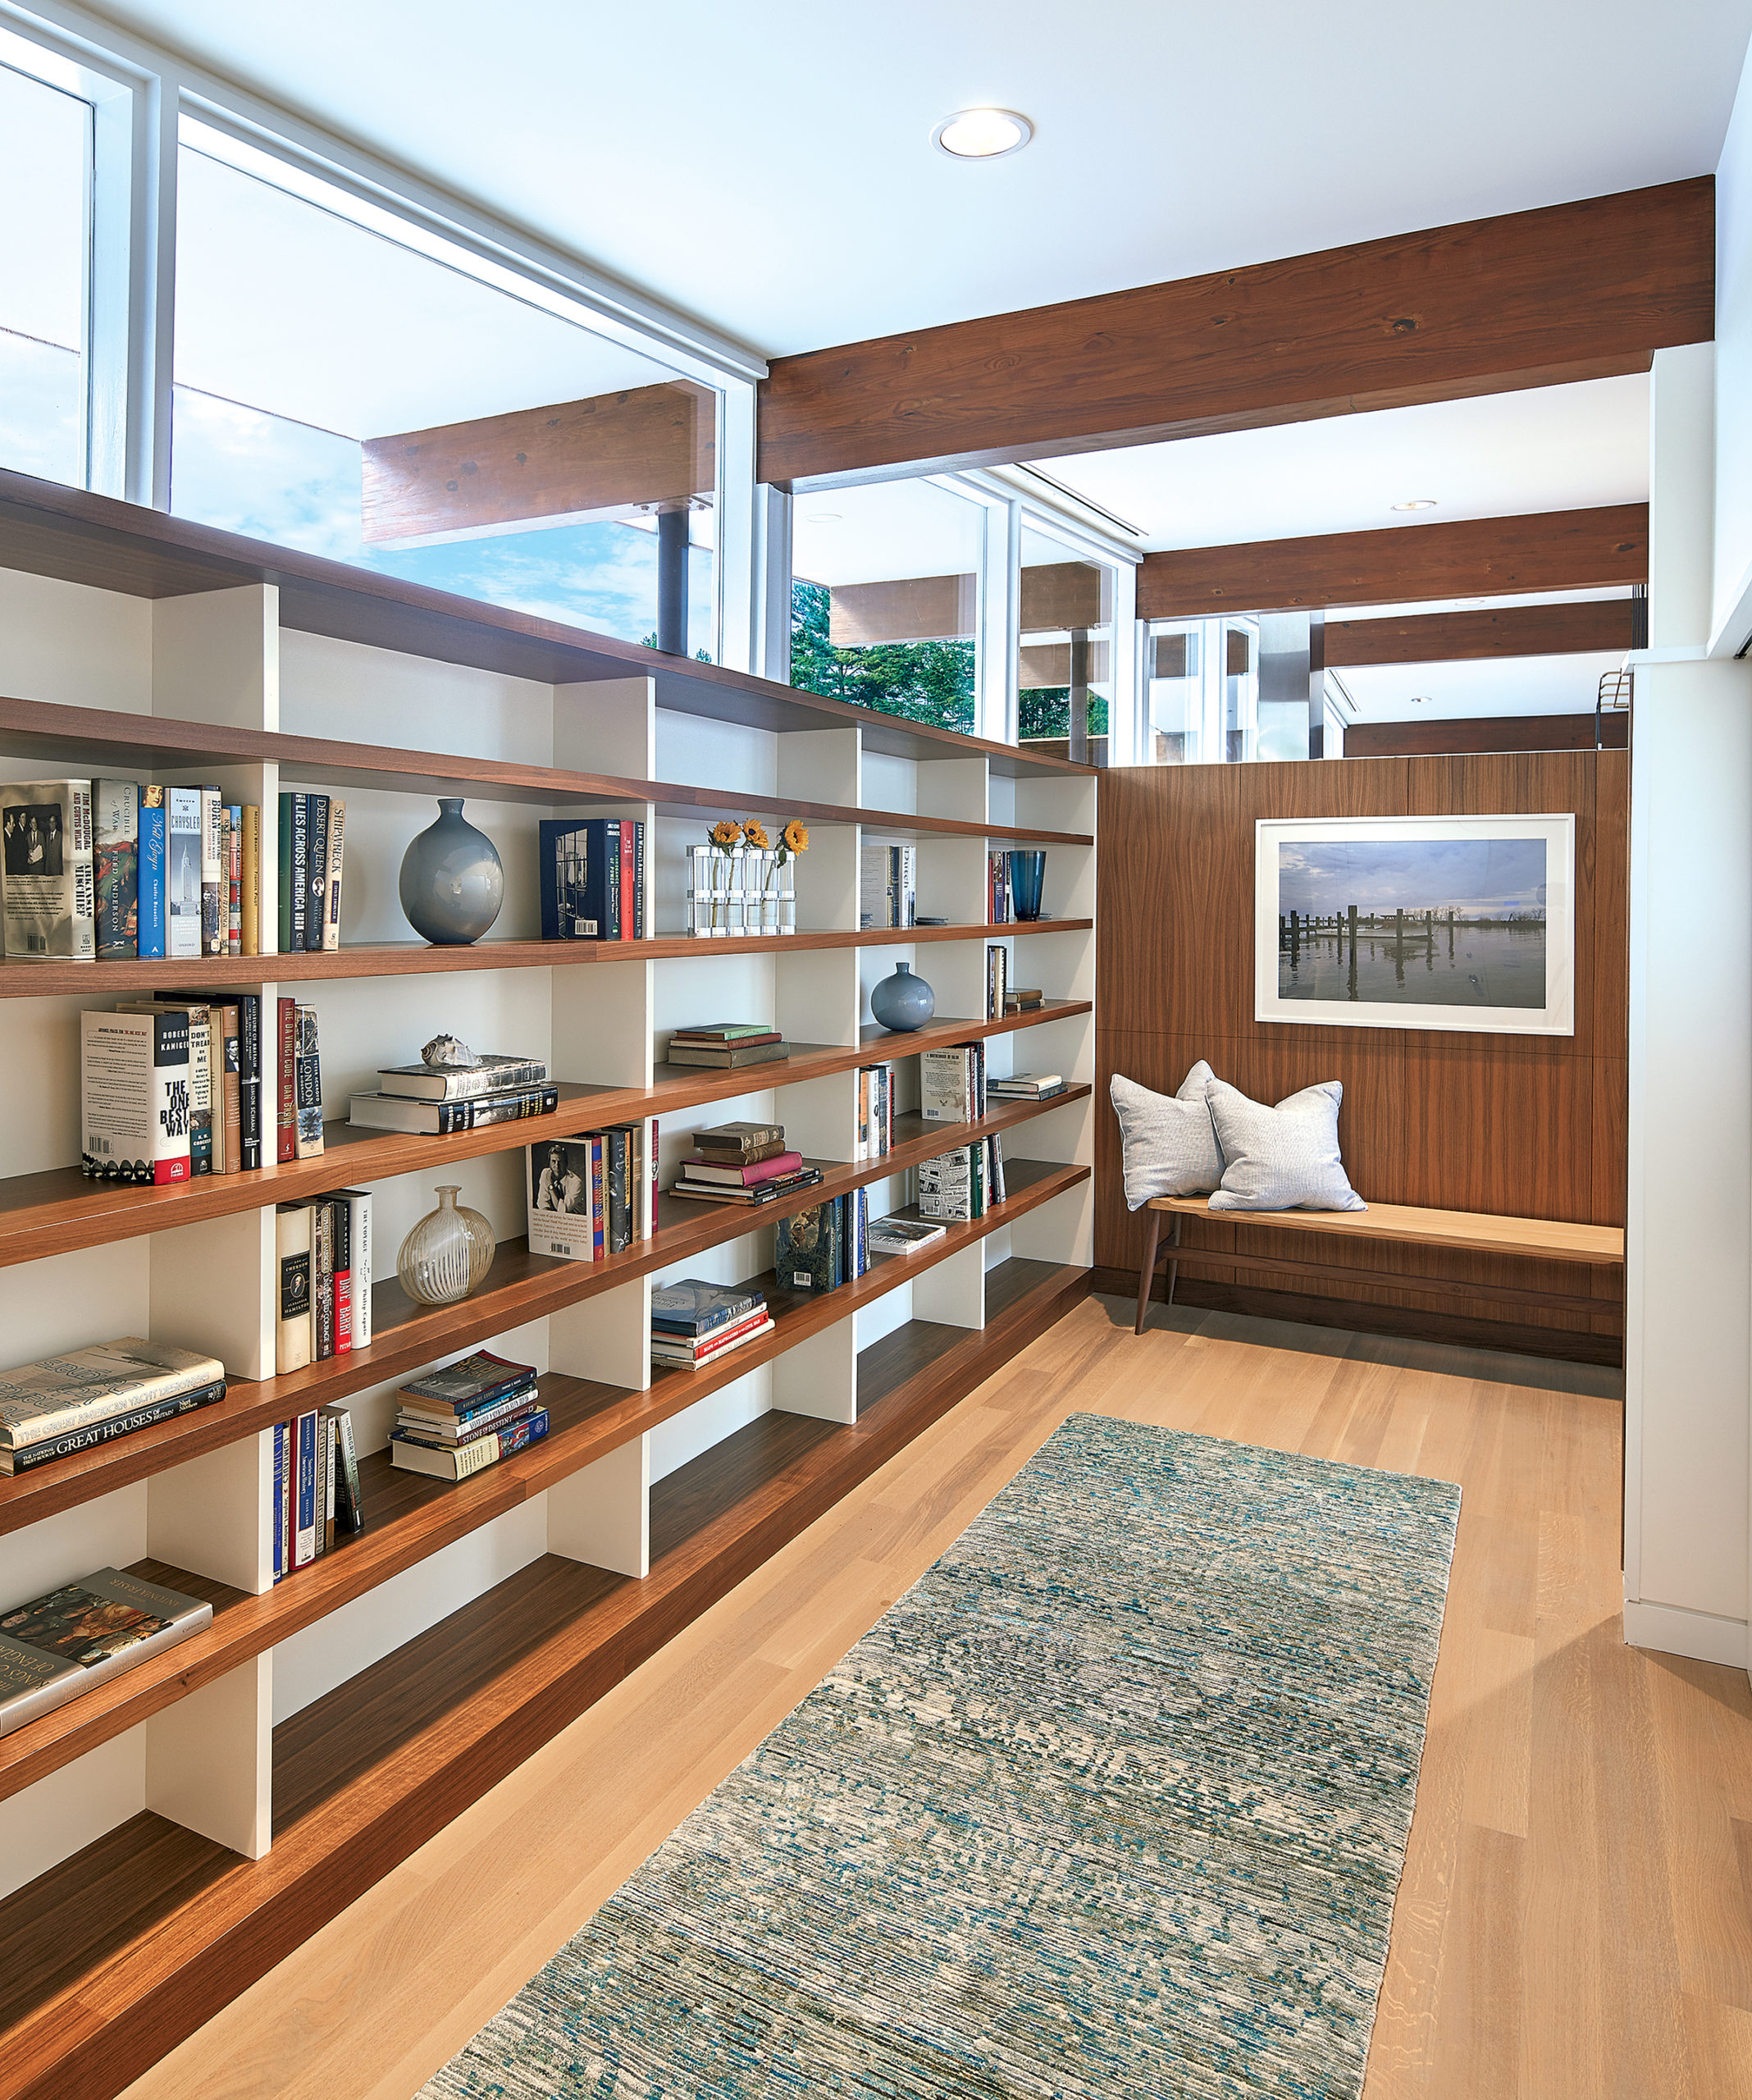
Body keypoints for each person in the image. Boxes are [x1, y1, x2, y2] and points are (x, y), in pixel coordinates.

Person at [534, 1143, 586, 1214]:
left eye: (560, 1162)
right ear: (549, 1163)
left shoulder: (576, 1182)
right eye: (553, 1161)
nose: (557, 1166)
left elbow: (563, 1210)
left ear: (566, 1164)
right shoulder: (546, 1173)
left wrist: (550, 1186)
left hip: (576, 1218)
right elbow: (543, 1203)